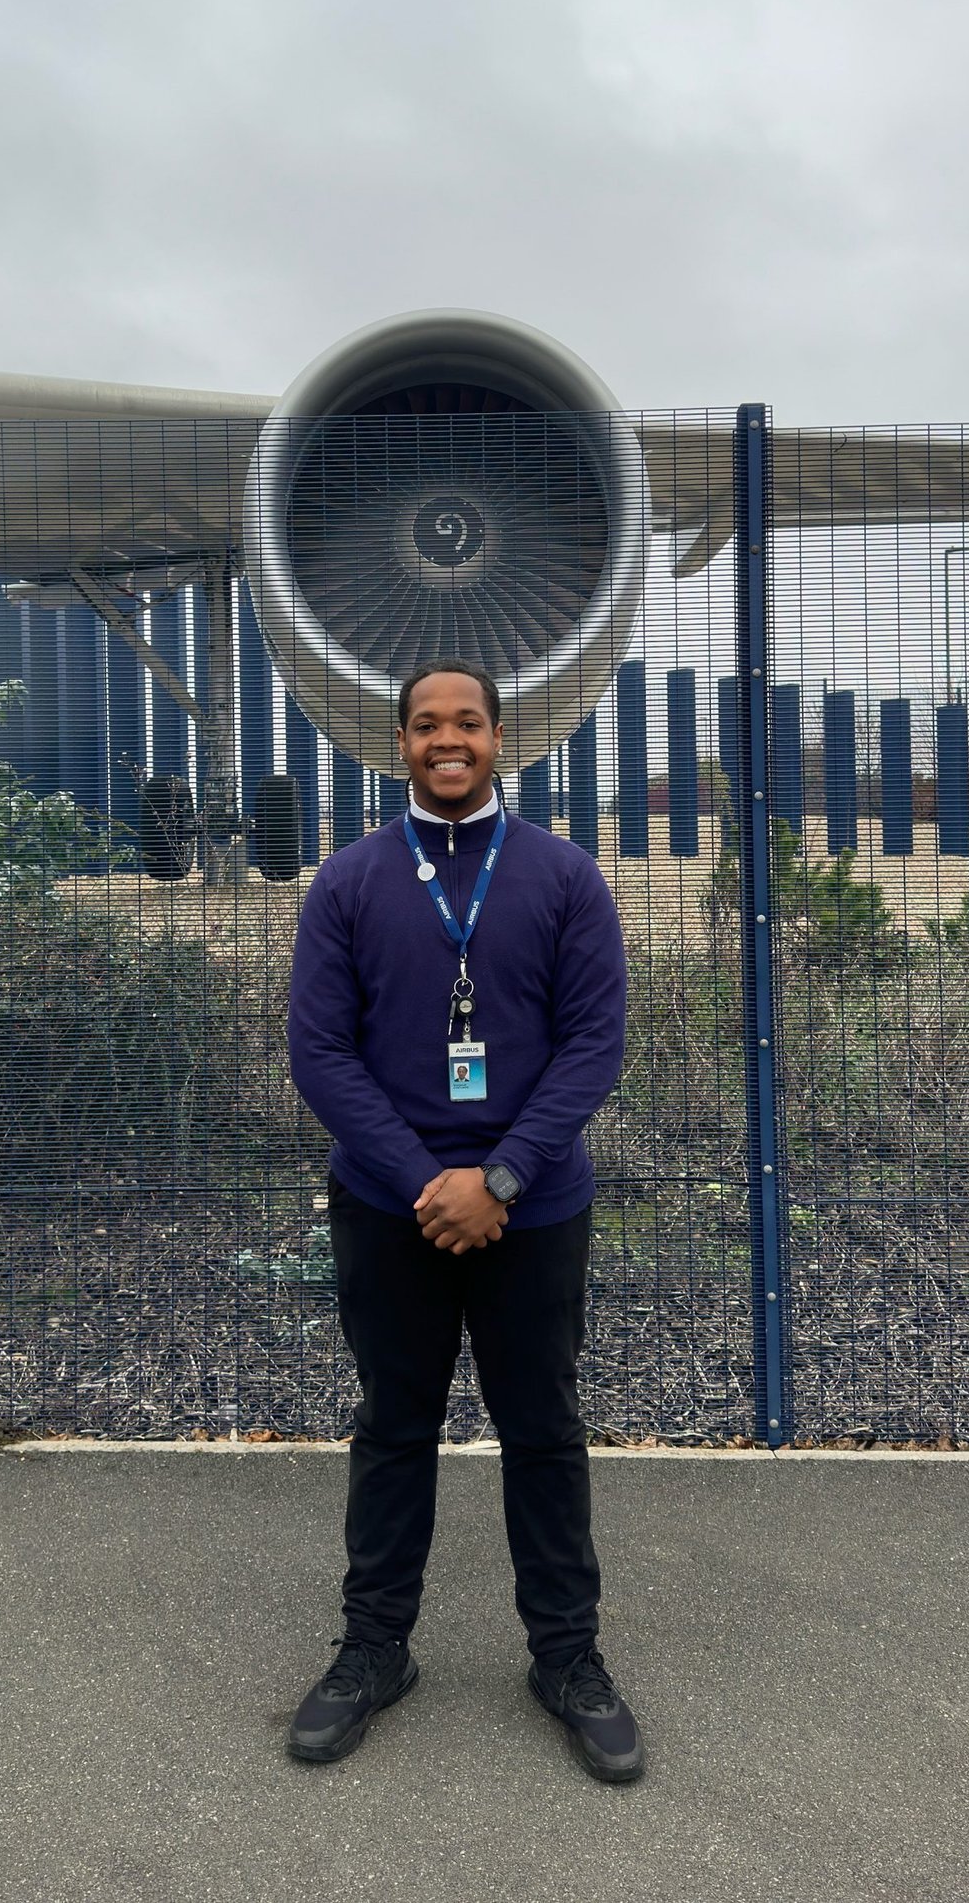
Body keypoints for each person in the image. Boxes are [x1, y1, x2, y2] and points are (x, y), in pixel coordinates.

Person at [284, 659, 644, 1784]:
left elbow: (594, 1043)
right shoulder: (348, 882)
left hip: (532, 1210)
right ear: (398, 742)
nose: (450, 740)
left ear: (499, 738)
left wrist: (502, 1178)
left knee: (543, 1431)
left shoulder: (563, 877)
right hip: (389, 1208)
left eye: (469, 722)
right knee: (395, 1427)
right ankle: (374, 1650)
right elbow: (320, 1052)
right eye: (428, 725)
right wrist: (424, 1182)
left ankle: (567, 1659)